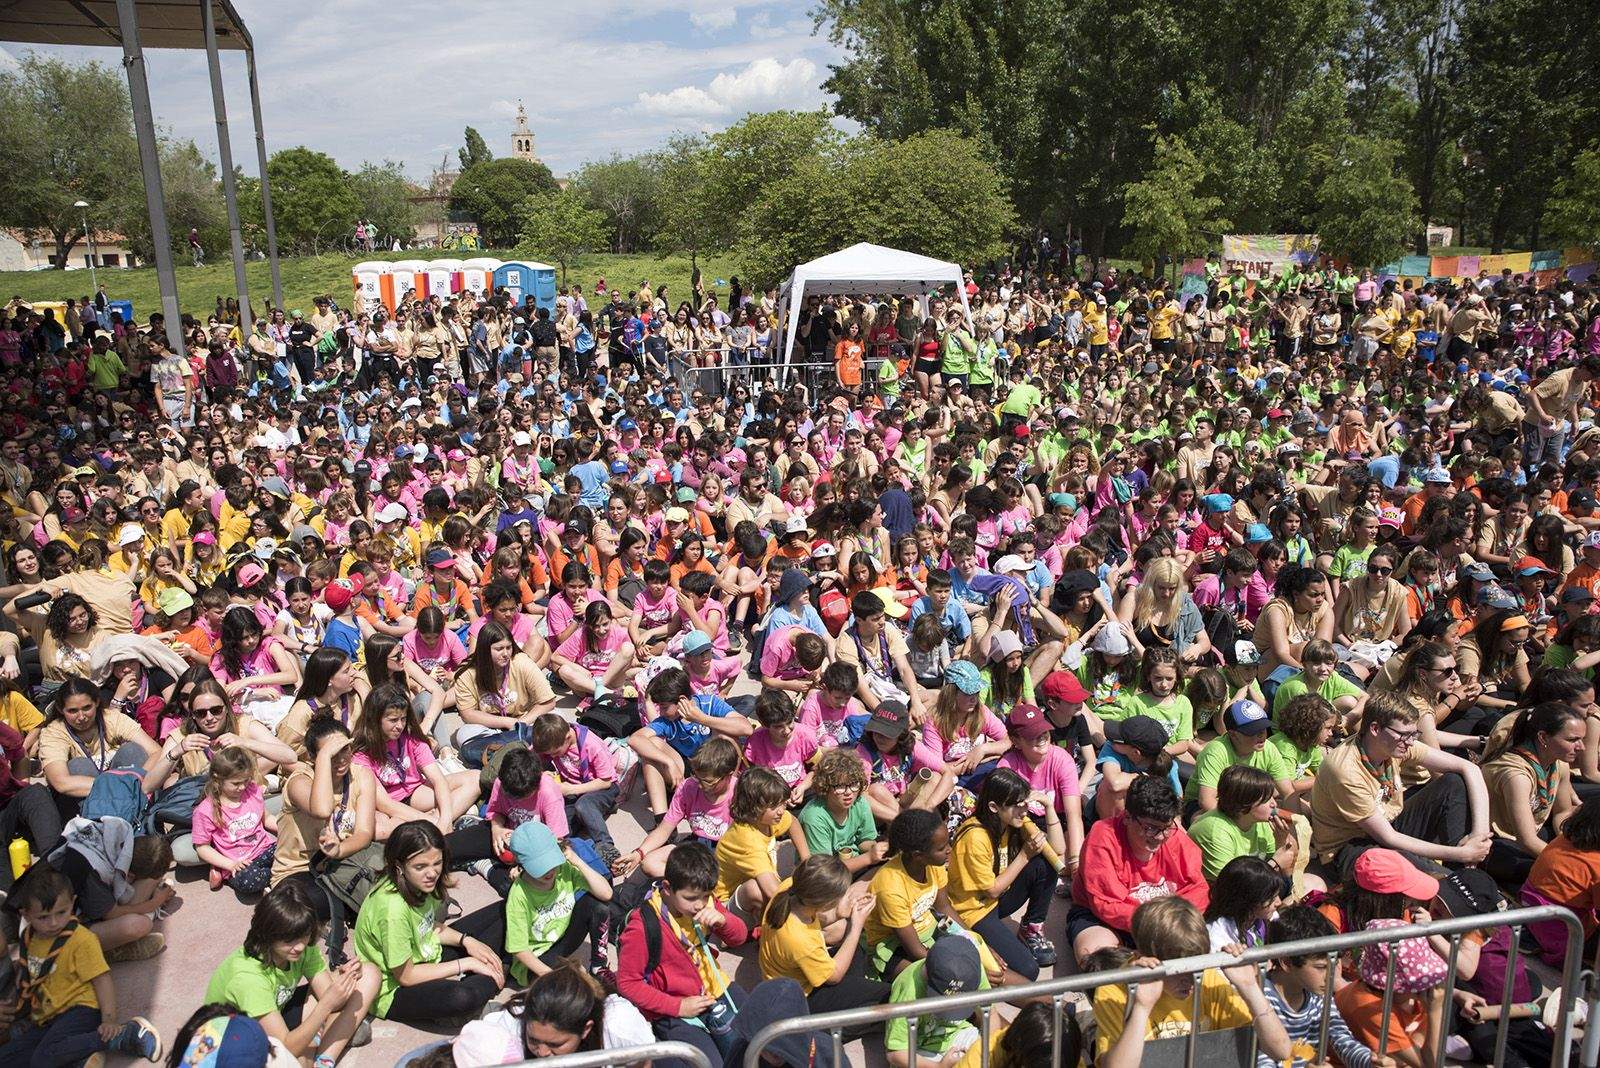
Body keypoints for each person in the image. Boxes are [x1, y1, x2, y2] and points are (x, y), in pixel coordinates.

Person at [1091, 895, 1291, 1068]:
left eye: (1197, 967)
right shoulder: (1115, 990)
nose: (1190, 980)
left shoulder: (1205, 979)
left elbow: (1280, 1049)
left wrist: (1249, 986)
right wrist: (1142, 1008)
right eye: (1179, 971)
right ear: (1145, 957)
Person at [1308, 690, 1493, 876]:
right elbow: (1389, 838)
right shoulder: (1346, 771)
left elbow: (1469, 768)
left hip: (1386, 826)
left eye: (1414, 734)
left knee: (1453, 783)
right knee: (1435, 877)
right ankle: (1457, 879)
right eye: (1405, 735)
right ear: (1375, 729)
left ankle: (1464, 874)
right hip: (1350, 849)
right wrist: (1461, 854)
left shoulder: (1392, 744)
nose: (1411, 742)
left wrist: (1480, 836)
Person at [0, 866, 164, 1065]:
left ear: (73, 903)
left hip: (79, 1010)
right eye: (43, 917)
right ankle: (79, 1058)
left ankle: (123, 1036)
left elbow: (102, 979)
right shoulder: (29, 938)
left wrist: (109, 1019)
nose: (53, 923)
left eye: (61, 912)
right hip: (46, 1017)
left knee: (43, 1058)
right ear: (25, 915)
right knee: (7, 1058)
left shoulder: (80, 939)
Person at [203, 882, 378, 1067]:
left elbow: (331, 998)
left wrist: (346, 980)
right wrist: (326, 1006)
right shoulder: (248, 978)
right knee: (299, 1061)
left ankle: (324, 1059)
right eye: (290, 940)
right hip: (234, 1044)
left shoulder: (301, 947)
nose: (301, 946)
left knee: (368, 973)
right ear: (266, 934)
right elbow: (285, 1048)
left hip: (275, 1012)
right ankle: (323, 1039)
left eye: (305, 935)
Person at [353, 820, 506, 1024]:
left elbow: (428, 927)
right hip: (394, 988)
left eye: (437, 863)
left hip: (425, 952)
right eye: (420, 866)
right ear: (399, 866)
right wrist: (466, 963)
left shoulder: (419, 882)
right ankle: (499, 969)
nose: (432, 873)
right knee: (463, 997)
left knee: (505, 912)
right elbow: (406, 976)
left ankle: (493, 970)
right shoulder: (392, 910)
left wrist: (467, 941)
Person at [616, 842, 750, 1068]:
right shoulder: (643, 926)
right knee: (708, 1064)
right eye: (691, 898)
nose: (700, 905)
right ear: (667, 888)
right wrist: (679, 1007)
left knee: (758, 1043)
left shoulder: (705, 901)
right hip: (676, 1010)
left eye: (706, 896)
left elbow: (739, 937)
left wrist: (724, 921)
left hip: (716, 988)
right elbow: (628, 983)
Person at [1069, 772, 1208, 963]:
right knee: (1100, 962)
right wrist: (1158, 923)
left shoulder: (1175, 838)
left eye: (1166, 827)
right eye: (1150, 827)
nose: (1160, 836)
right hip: (1106, 921)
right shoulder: (1103, 837)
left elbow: (1199, 890)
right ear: (1127, 817)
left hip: (1166, 922)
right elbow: (1106, 905)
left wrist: (1167, 924)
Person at [947, 767, 1064, 978]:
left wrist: (1049, 807)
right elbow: (992, 890)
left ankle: (1031, 928)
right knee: (1029, 970)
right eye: (1017, 806)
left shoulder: (1013, 820)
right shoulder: (975, 837)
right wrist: (1024, 856)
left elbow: (1058, 851)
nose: (1024, 811)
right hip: (975, 910)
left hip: (1000, 897)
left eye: (1025, 804)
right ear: (994, 807)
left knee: (1045, 864)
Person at [757, 854, 889, 1014]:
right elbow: (835, 976)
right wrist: (856, 926)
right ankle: (828, 1026)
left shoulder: (791, 888)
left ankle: (852, 996)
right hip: (800, 996)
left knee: (857, 953)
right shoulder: (799, 940)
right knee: (885, 994)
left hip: (794, 973)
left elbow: (811, 922)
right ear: (825, 904)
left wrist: (839, 913)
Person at [503, 821, 613, 983]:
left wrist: (576, 860)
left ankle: (598, 967)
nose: (549, 871)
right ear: (523, 864)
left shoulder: (563, 869)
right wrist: (552, 976)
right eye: (540, 866)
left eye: (551, 862)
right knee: (572, 987)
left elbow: (606, 893)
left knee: (598, 907)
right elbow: (518, 949)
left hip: (563, 938)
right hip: (538, 958)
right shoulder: (519, 895)